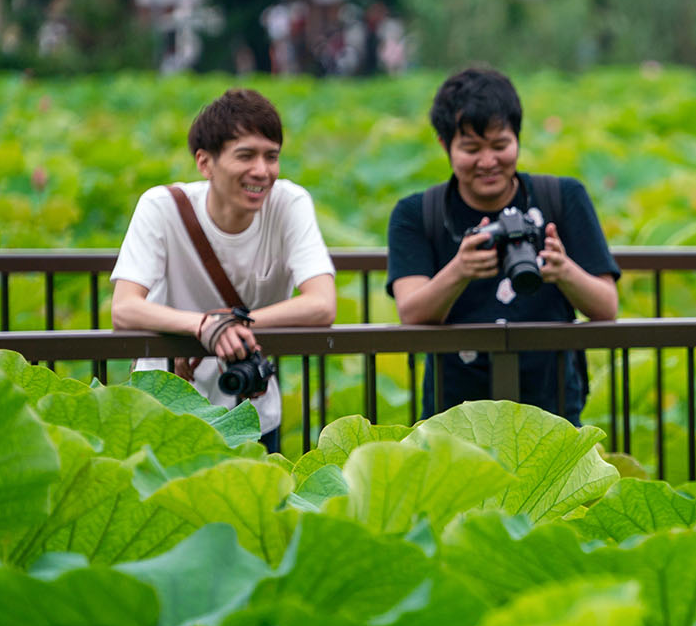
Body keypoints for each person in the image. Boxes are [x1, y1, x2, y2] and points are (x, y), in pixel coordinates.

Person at [386, 66, 619, 424]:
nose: (488, 161)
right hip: (453, 415)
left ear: (518, 139)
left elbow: (606, 306)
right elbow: (411, 312)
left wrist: (563, 271)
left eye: (500, 145)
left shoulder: (563, 198)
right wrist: (459, 271)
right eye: (471, 148)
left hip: (553, 408)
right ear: (445, 145)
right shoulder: (417, 213)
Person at [111, 88, 337, 452]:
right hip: (165, 411)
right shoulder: (161, 207)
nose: (261, 171)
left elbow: (322, 304)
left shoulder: (289, 203)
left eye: (271, 156)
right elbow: (124, 308)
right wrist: (203, 326)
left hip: (250, 406)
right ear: (205, 163)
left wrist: (231, 325)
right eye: (245, 155)